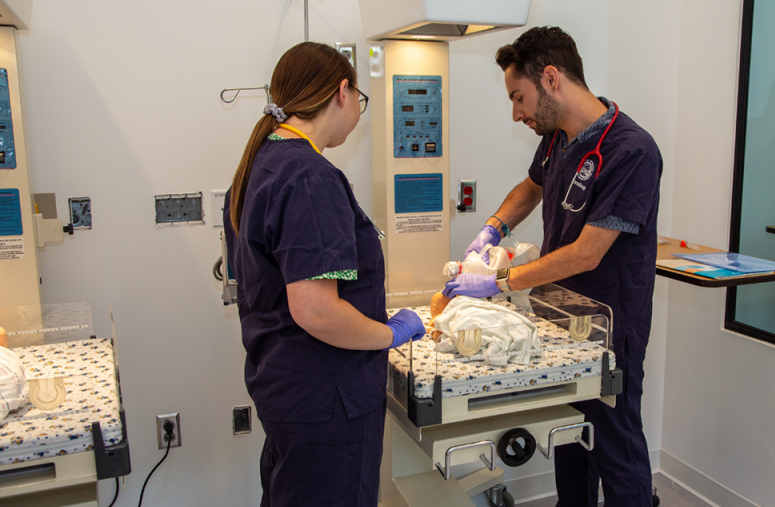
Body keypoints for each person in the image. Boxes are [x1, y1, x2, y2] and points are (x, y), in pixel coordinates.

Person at [443, 27, 662, 507]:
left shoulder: (631, 150)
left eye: (519, 97)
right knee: (571, 437)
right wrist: (493, 229)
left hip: (611, 324)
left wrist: (498, 282)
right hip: (563, 317)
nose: (516, 112)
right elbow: (530, 187)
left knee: (616, 445)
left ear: (550, 78)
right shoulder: (559, 136)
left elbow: (587, 252)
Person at [222, 43, 424, 506]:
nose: (358, 110)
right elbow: (316, 309)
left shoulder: (259, 164)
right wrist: (389, 334)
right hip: (328, 401)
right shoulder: (310, 177)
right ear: (341, 92)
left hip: (288, 389)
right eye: (360, 98)